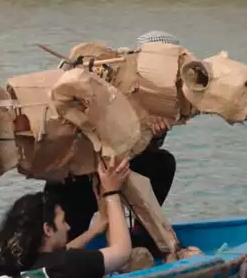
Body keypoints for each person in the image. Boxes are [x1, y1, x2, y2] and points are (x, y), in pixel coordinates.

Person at [46, 30, 181, 259]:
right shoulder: (107, 75)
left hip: (119, 165)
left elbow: (137, 149)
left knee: (162, 163)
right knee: (66, 230)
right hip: (78, 169)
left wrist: (154, 133)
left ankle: (142, 234)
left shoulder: (161, 96)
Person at [0, 155, 133, 278]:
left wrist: (95, 229)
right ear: (48, 229)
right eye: (63, 221)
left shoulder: (12, 263)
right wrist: (112, 192)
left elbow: (63, 253)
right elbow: (122, 252)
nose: (68, 227)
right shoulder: (68, 264)